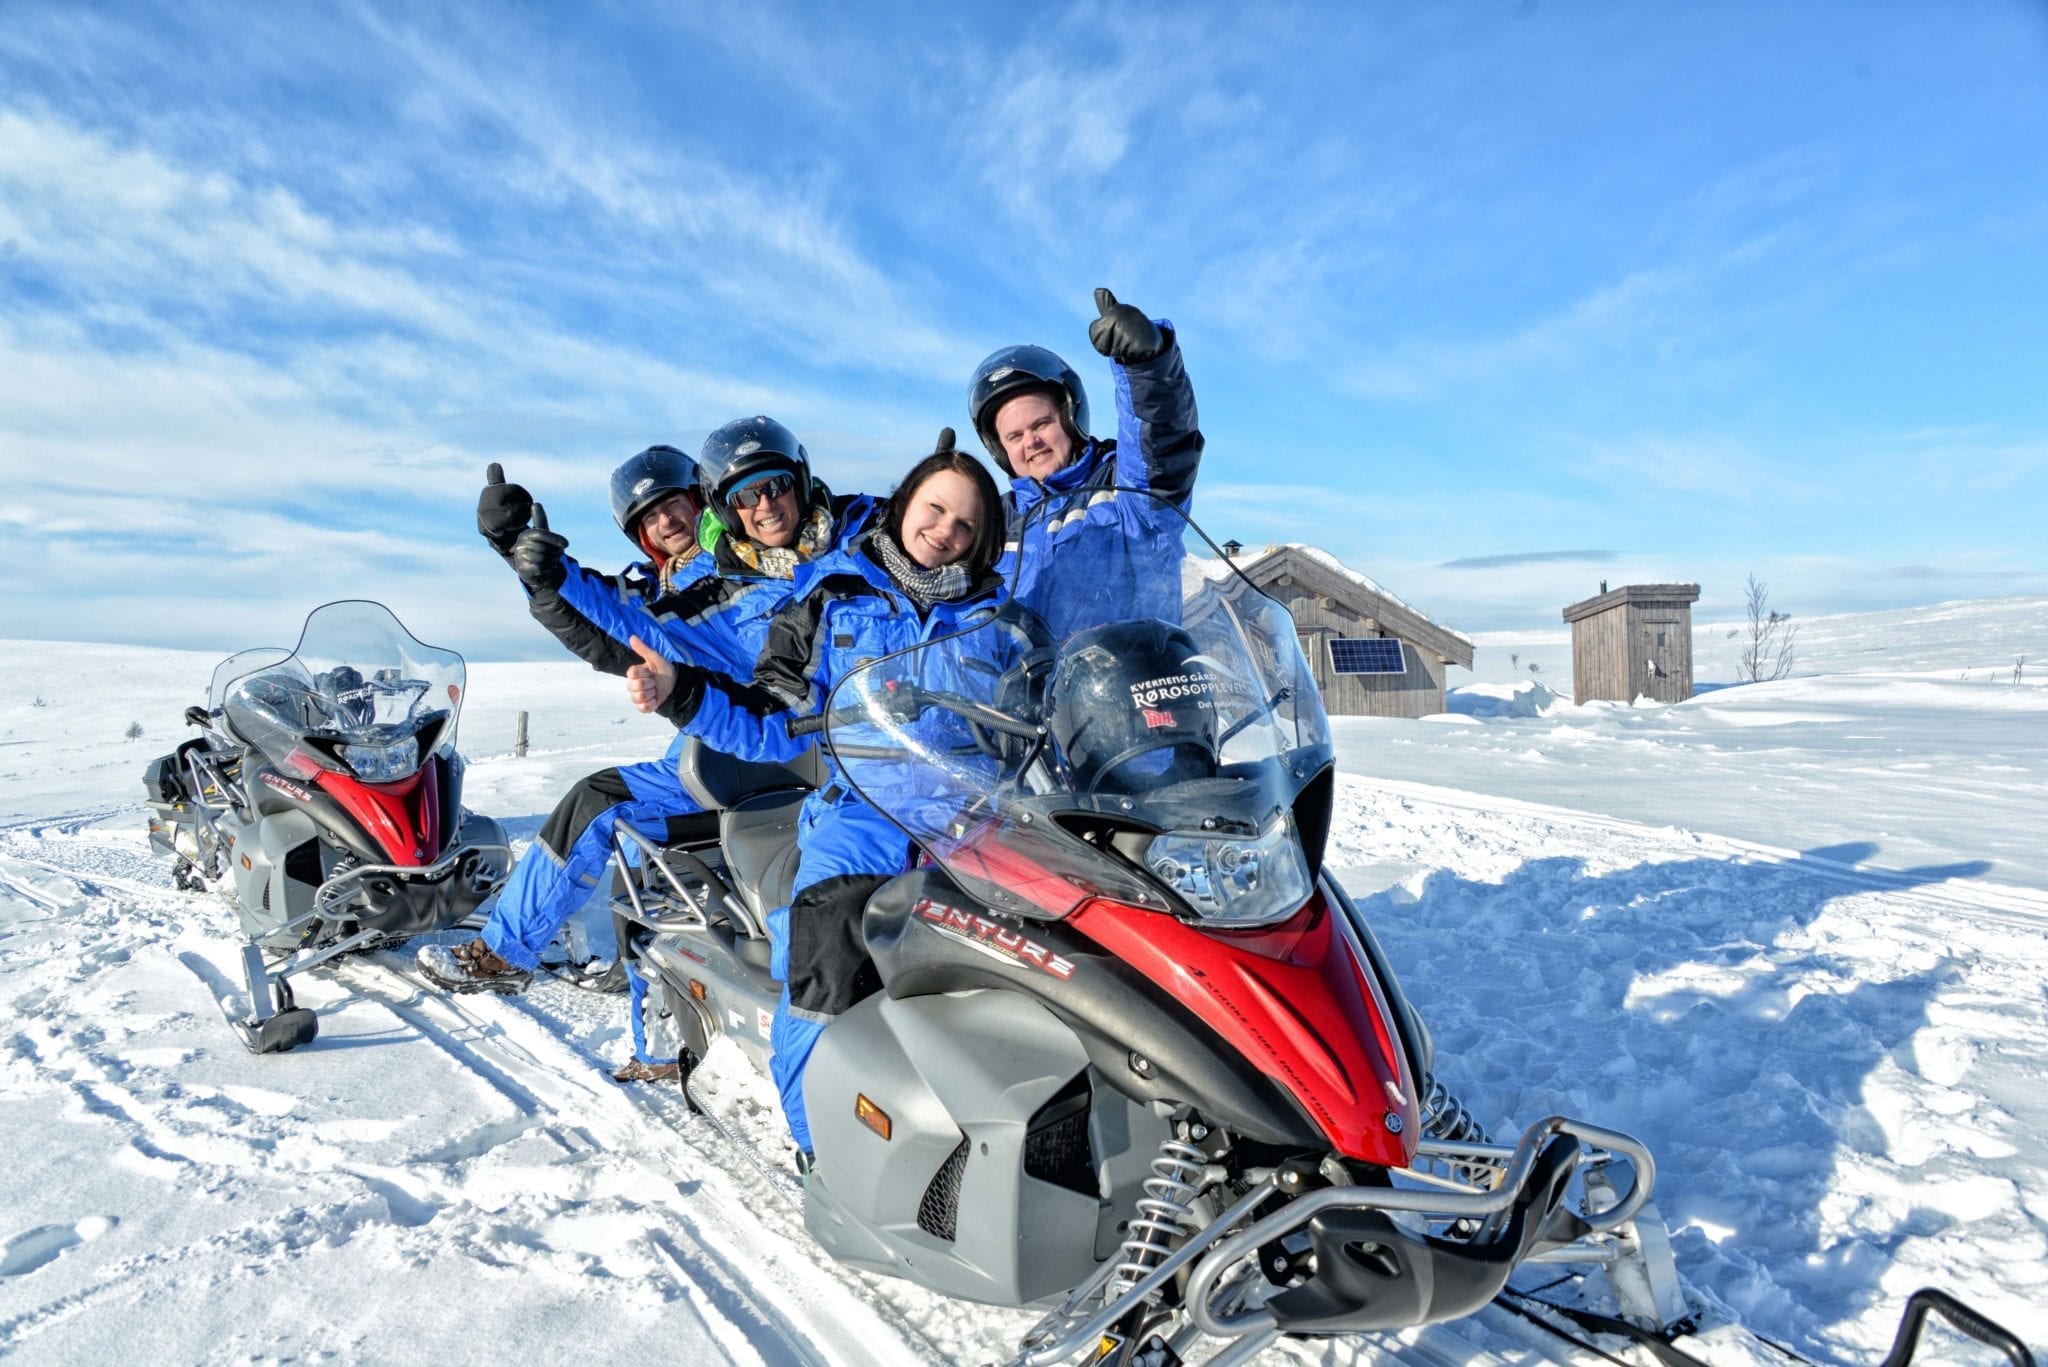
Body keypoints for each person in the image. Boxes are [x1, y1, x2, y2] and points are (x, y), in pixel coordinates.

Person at [619, 440, 1011, 1159]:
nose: (945, 530)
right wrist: (685, 696)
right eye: (935, 508)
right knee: (823, 969)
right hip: (863, 816)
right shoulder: (830, 594)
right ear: (904, 507)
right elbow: (770, 715)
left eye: (964, 521)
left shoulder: (999, 615)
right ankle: (821, 1149)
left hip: (975, 821)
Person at [419, 446, 717, 1083]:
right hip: (700, 756)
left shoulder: (728, 570)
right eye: (649, 517)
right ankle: (664, 1048)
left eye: (674, 505)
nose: (666, 521)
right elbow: (594, 632)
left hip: (744, 756)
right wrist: (519, 555)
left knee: (598, 801)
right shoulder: (652, 586)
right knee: (643, 875)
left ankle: (504, 952)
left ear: (702, 501)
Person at [967, 287, 1204, 640]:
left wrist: (1148, 368)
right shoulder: (991, 525)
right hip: (1029, 695)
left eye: (1041, 424)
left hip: (1141, 687)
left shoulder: (1126, 491)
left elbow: (1163, 442)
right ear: (999, 449)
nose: (1030, 442)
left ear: (1071, 418)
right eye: (1014, 436)